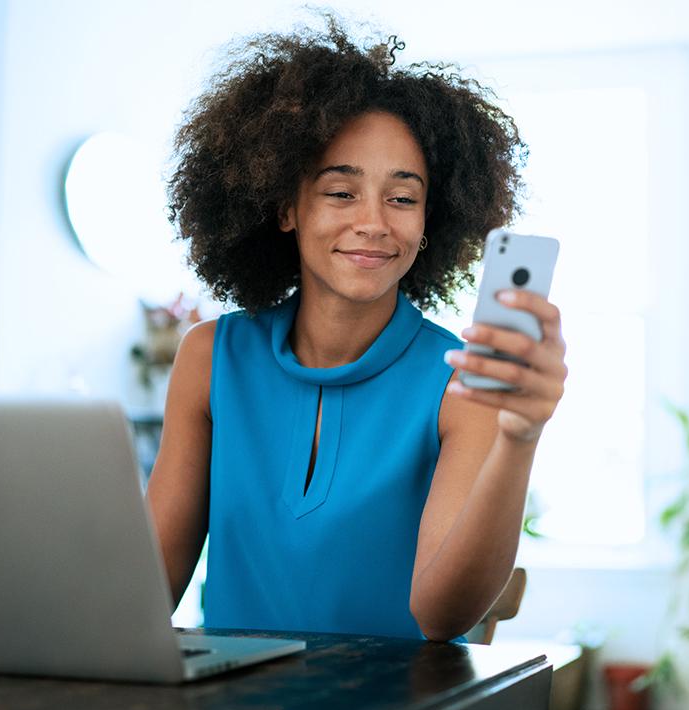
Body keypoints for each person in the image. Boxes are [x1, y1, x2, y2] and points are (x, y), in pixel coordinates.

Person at [147, 15, 567, 643]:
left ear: (430, 221)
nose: (373, 222)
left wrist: (520, 437)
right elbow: (147, 587)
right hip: (232, 706)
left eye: (402, 199)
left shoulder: (463, 382)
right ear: (286, 207)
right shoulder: (211, 358)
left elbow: (442, 614)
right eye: (341, 192)